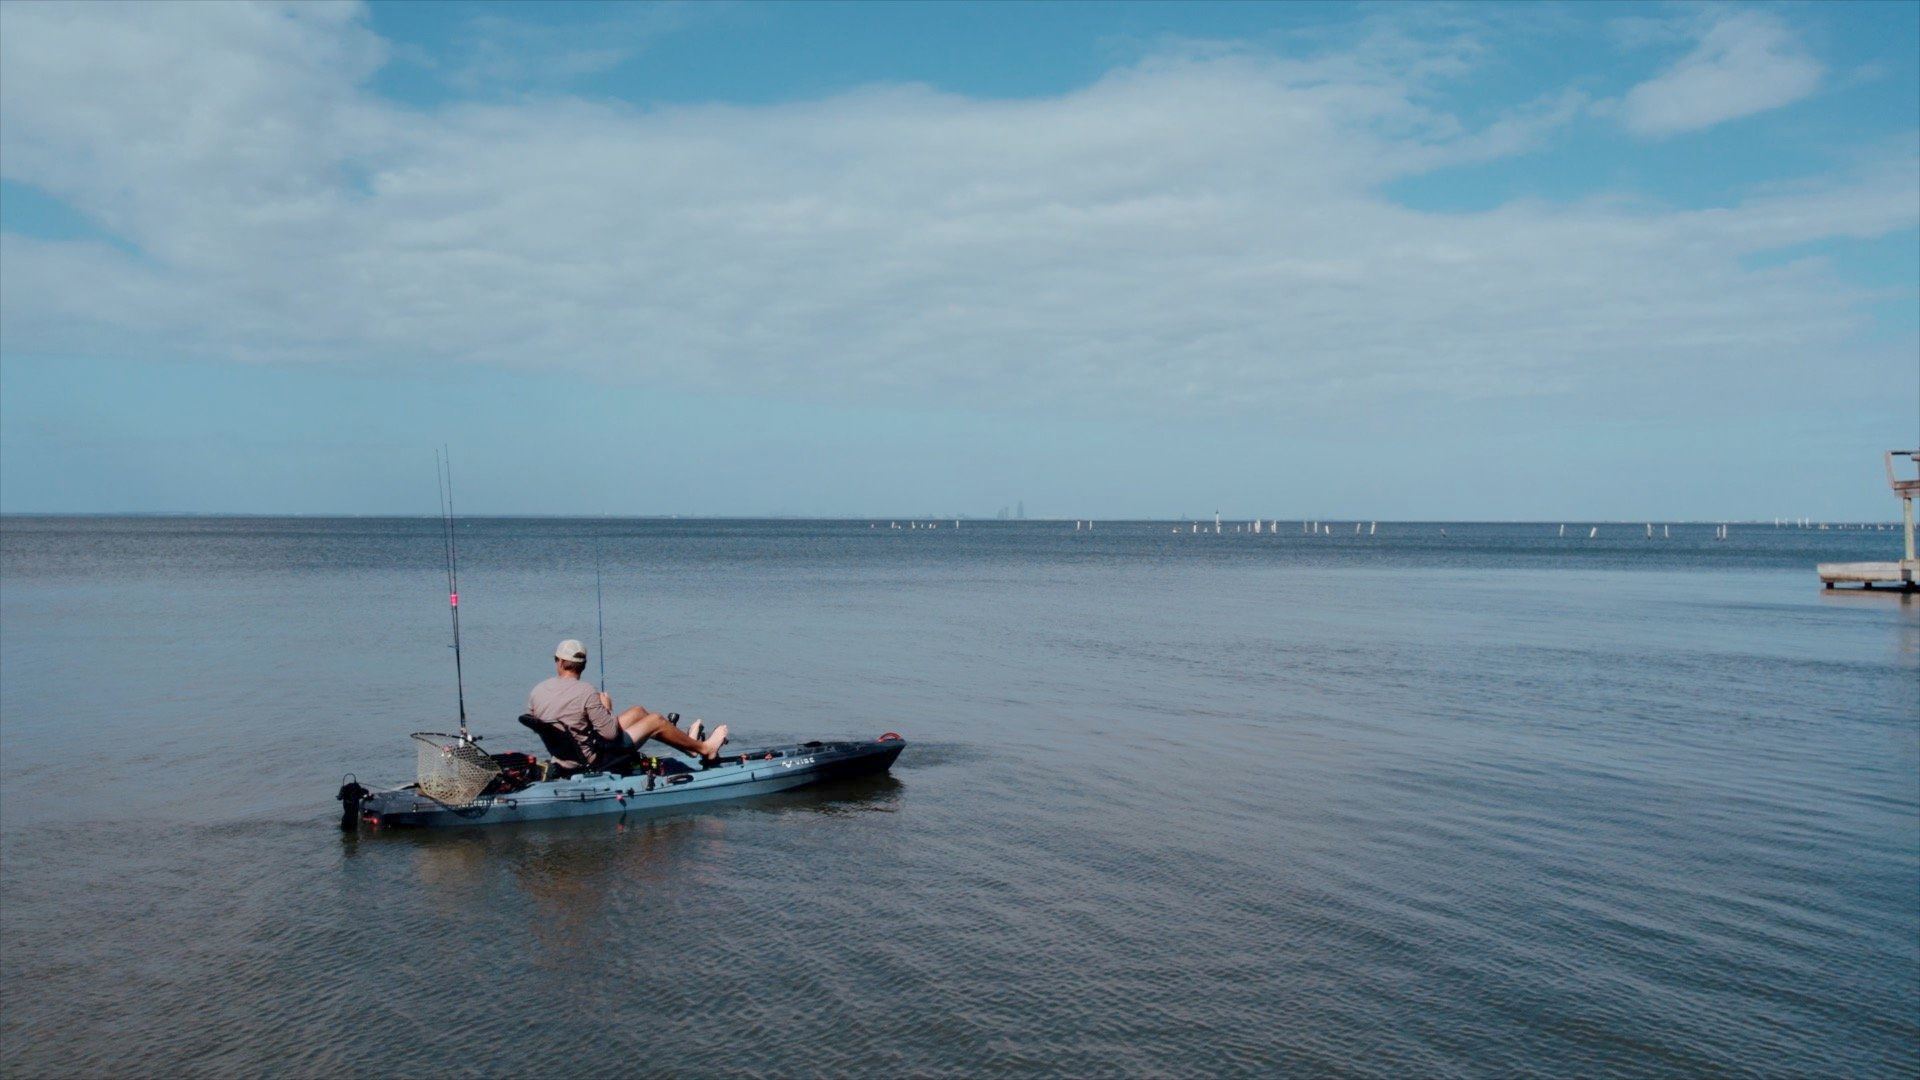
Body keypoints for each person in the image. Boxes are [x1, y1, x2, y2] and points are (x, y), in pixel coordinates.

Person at [526, 639, 727, 767]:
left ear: (559, 662)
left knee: (639, 711)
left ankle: (690, 747)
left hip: (564, 753)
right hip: (593, 759)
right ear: (583, 666)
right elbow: (610, 734)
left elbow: (554, 724)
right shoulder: (585, 691)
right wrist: (606, 708)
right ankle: (705, 749)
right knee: (656, 720)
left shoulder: (537, 691)